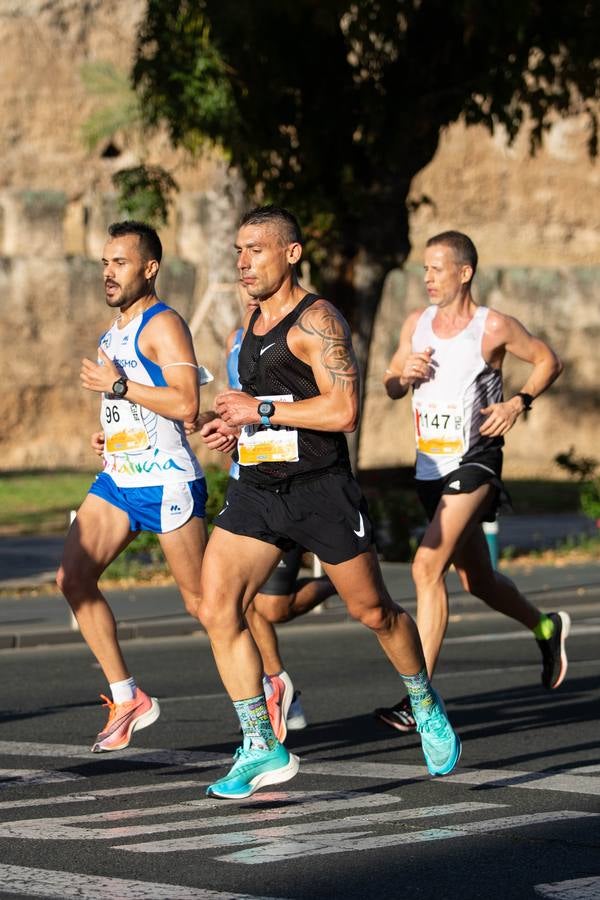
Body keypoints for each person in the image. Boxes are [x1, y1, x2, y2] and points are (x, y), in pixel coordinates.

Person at [197, 205, 461, 800]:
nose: (243, 262)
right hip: (258, 488)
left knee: (374, 613)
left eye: (256, 250)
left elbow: (343, 413)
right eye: (238, 251)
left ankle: (424, 701)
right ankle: (261, 742)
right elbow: (264, 403)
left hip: (321, 492)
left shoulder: (318, 321)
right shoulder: (253, 317)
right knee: (218, 608)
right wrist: (234, 424)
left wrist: (259, 410)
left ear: (291, 253)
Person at [375, 230, 569, 734]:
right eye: (424, 270)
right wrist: (404, 376)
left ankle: (419, 697)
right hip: (430, 469)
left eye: (437, 269)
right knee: (476, 579)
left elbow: (548, 360)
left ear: (465, 272)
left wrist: (517, 403)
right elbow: (391, 383)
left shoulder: (493, 327)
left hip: (476, 461)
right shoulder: (416, 324)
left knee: (425, 568)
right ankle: (546, 628)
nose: (427, 279)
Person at [56, 220, 208, 753]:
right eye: (104, 263)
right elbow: (135, 404)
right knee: (72, 577)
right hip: (120, 479)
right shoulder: (110, 334)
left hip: (167, 482)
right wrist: (111, 429)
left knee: (205, 604)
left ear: (150, 268)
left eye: (120, 263)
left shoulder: (164, 325)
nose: (108, 274)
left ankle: (267, 686)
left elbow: (186, 403)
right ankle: (128, 697)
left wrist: (117, 384)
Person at [225, 299, 337, 739]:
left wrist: (264, 413)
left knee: (271, 607)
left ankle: (341, 582)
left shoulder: (301, 333)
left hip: (296, 480)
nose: (250, 295)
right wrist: (218, 425)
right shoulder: (236, 342)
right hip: (248, 485)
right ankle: (278, 689)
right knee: (242, 603)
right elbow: (238, 409)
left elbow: (332, 407)